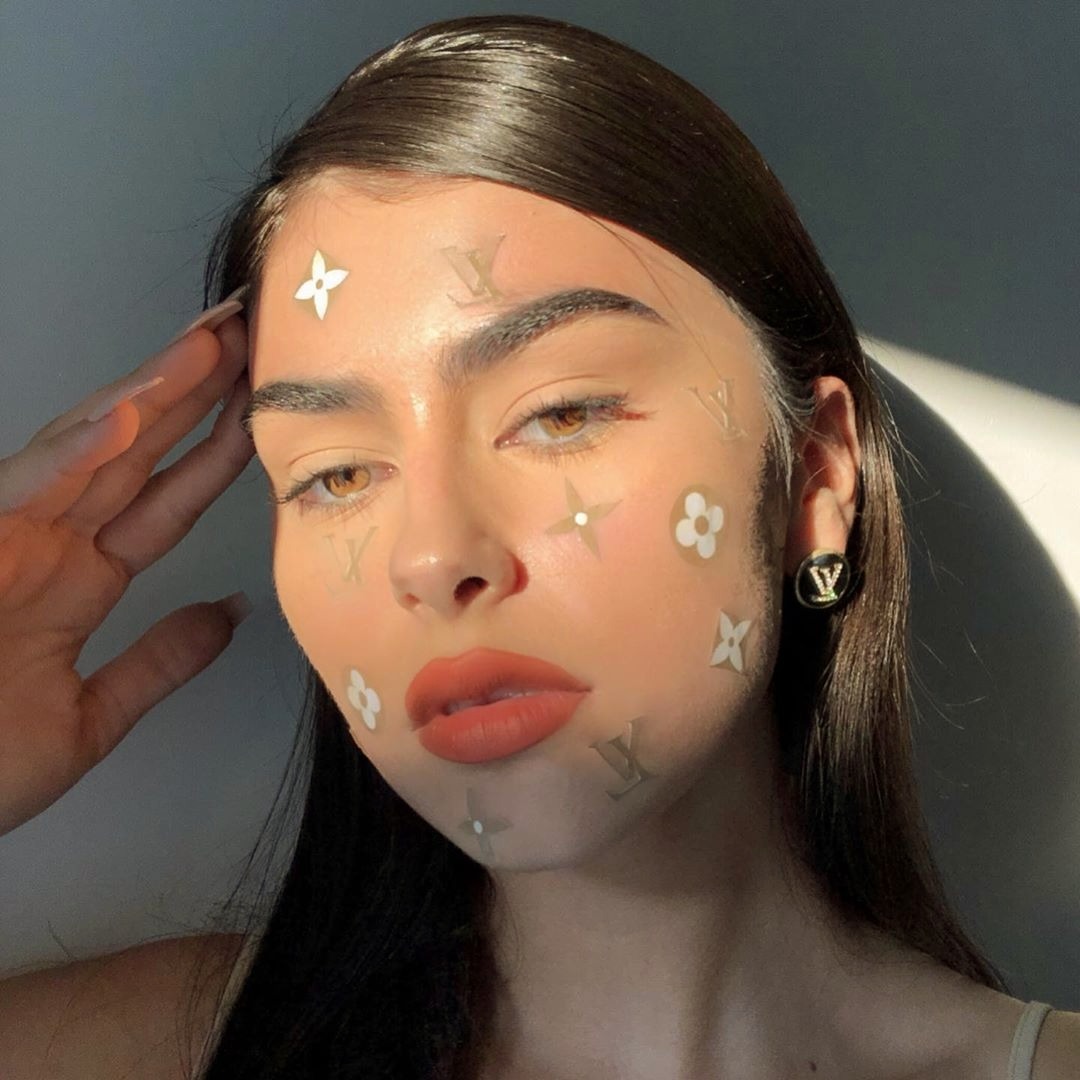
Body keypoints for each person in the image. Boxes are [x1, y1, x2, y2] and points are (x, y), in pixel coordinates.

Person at [0, 13, 1076, 1080]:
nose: (431, 558)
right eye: (336, 475)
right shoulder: (174, 1049)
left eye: (561, 413)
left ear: (816, 475)